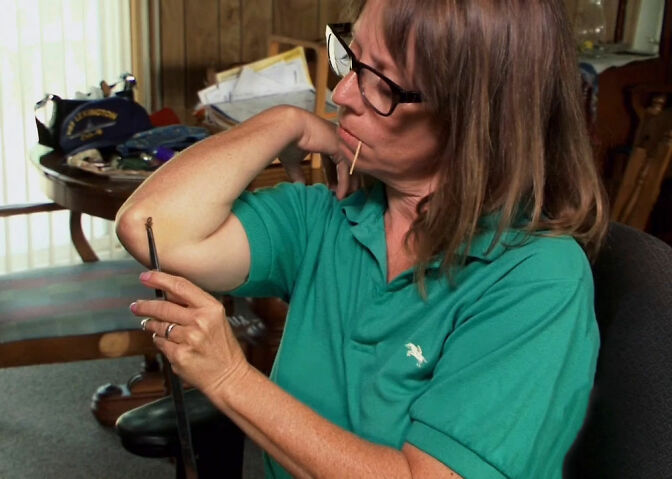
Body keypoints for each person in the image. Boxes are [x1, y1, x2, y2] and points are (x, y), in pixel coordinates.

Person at [117, 0, 608, 477]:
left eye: (382, 83)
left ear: (473, 118)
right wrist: (282, 121)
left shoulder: (537, 279)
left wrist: (230, 378)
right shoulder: (329, 216)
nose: (342, 94)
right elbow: (149, 224)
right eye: (352, 60)